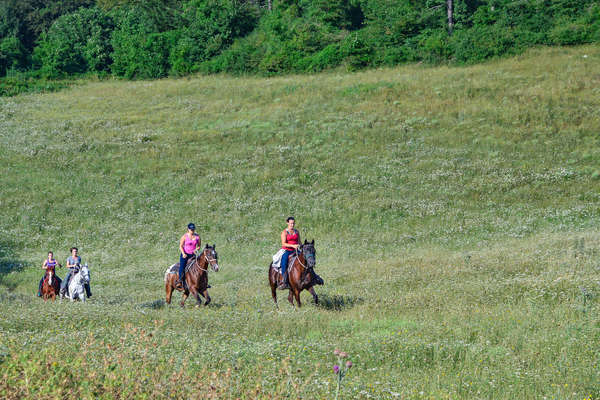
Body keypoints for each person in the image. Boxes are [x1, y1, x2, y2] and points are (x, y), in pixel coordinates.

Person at [177, 223, 201, 289]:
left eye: (193, 229)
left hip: (193, 255)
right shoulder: (184, 236)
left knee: (199, 266)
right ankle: (180, 281)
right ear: (188, 229)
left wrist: (196, 249)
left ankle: (202, 281)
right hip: (185, 254)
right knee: (182, 266)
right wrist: (183, 253)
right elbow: (180, 246)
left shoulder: (197, 237)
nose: (192, 231)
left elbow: (199, 246)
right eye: (191, 229)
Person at [279, 216, 301, 289]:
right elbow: (283, 243)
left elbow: (299, 242)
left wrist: (301, 246)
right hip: (287, 250)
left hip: (295, 250)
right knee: (284, 261)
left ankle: (314, 277)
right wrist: (293, 245)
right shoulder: (284, 232)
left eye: (293, 223)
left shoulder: (297, 231)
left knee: (306, 258)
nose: (292, 225)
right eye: (291, 223)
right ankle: (284, 281)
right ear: (287, 223)